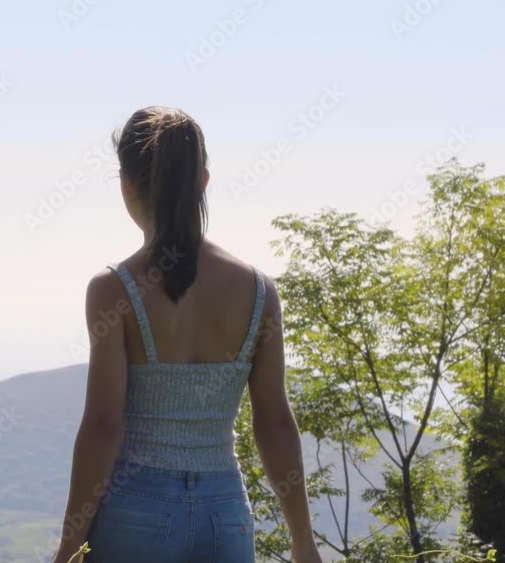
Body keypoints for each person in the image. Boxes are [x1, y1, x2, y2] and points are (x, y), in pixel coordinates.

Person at [51, 107, 322, 563]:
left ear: (127, 184)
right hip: (225, 515)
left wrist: (69, 547)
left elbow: (103, 426)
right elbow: (274, 422)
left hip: (136, 510)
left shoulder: (114, 290)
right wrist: (303, 541)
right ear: (204, 181)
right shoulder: (259, 291)